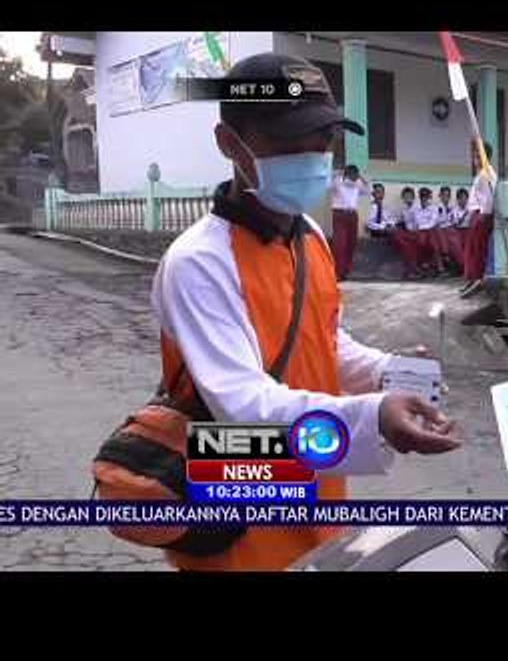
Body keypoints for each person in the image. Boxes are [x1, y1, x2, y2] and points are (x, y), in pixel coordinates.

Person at [151, 53, 460, 571]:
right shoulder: (197, 263)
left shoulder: (309, 237)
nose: (312, 156)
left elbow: (325, 341)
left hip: (317, 481)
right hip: (238, 500)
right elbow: (243, 406)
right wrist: (374, 416)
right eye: (288, 141)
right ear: (230, 144)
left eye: (322, 140)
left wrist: (386, 372)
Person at [460, 140, 497, 298]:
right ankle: (471, 278)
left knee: (478, 250)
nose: (474, 160)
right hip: (476, 215)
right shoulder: (481, 174)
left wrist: (482, 215)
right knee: (471, 249)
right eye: (474, 156)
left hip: (482, 216)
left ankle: (477, 279)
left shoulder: (486, 174)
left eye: (477, 156)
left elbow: (488, 198)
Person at [330, 163, 369, 280]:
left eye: (356, 175)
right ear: (347, 174)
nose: (355, 178)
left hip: (353, 215)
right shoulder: (338, 181)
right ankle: (337, 272)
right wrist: (339, 173)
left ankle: (345, 271)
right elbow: (327, 184)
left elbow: (368, 191)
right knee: (340, 244)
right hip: (339, 214)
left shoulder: (358, 183)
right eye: (353, 175)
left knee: (351, 244)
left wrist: (362, 178)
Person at [391, 186, 422, 278]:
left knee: (409, 245)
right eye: (405, 196)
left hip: (418, 232)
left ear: (413, 197)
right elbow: (398, 219)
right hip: (408, 232)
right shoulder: (404, 209)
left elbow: (418, 222)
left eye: (409, 196)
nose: (408, 198)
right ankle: (411, 270)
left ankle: (412, 270)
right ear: (403, 198)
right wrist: (391, 224)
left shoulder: (417, 207)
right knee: (398, 238)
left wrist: (416, 231)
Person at [413, 187, 445, 276]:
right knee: (424, 238)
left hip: (430, 230)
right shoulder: (416, 208)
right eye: (423, 196)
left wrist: (425, 227)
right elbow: (417, 221)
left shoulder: (433, 208)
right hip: (420, 231)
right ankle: (436, 265)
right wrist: (424, 228)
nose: (424, 199)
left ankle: (436, 265)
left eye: (426, 197)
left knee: (431, 237)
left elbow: (433, 221)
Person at [436, 185, 464, 271]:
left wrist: (456, 220)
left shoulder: (452, 207)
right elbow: (437, 220)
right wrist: (447, 218)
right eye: (444, 195)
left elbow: (455, 220)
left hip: (451, 228)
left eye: (448, 196)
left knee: (456, 244)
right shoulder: (437, 208)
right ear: (440, 196)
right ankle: (448, 260)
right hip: (441, 229)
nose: (446, 198)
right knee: (445, 243)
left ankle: (461, 265)